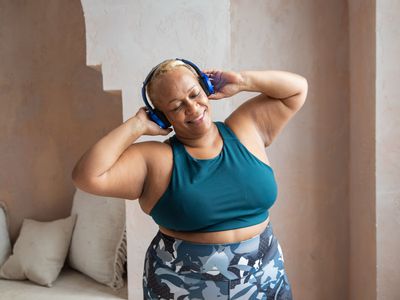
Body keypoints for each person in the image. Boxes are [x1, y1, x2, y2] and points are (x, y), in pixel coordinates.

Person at [72, 58, 308, 299]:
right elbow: (87, 176)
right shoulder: (155, 159)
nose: (193, 108)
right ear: (162, 117)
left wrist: (242, 81)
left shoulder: (246, 127)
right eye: (176, 106)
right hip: (183, 288)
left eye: (195, 94)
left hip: (265, 281)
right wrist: (137, 125)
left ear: (206, 87)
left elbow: (297, 90)